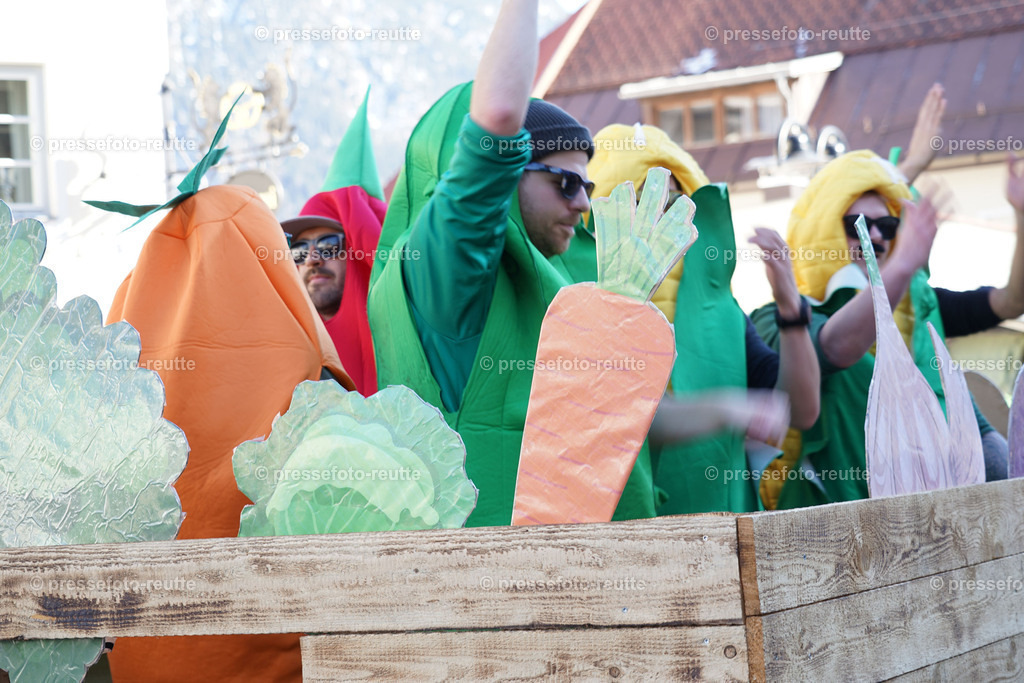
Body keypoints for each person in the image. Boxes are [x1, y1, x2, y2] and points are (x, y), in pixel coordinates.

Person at [752, 151, 1024, 509]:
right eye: (859, 225)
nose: (876, 237)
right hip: (834, 531)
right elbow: (838, 347)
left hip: (931, 520)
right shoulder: (782, 318)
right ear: (825, 231)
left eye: (889, 227)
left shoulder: (921, 308)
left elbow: (1009, 303)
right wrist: (903, 265)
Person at [585, 123, 819, 514]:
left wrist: (791, 309)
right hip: (627, 539)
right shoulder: (582, 301)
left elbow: (800, 410)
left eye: (680, 202)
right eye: (649, 199)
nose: (667, 216)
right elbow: (625, 419)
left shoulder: (723, 314)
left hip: (730, 542)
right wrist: (728, 409)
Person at [281, 88, 386, 396]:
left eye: (328, 244)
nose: (312, 258)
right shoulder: (289, 356)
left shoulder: (404, 332)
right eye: (299, 250)